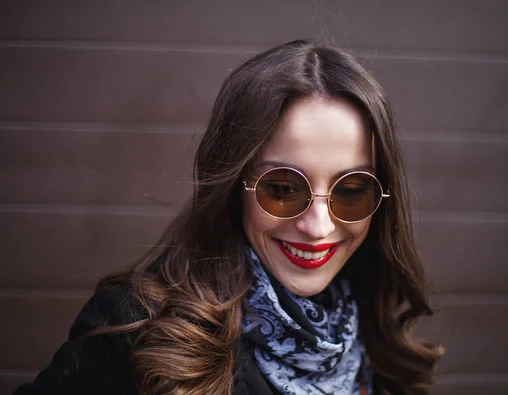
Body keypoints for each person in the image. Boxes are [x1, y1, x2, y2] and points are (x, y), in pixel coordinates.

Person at [14, 39, 443, 395]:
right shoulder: (133, 331)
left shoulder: (379, 339)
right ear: (234, 184)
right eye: (283, 188)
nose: (318, 227)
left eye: (351, 192)